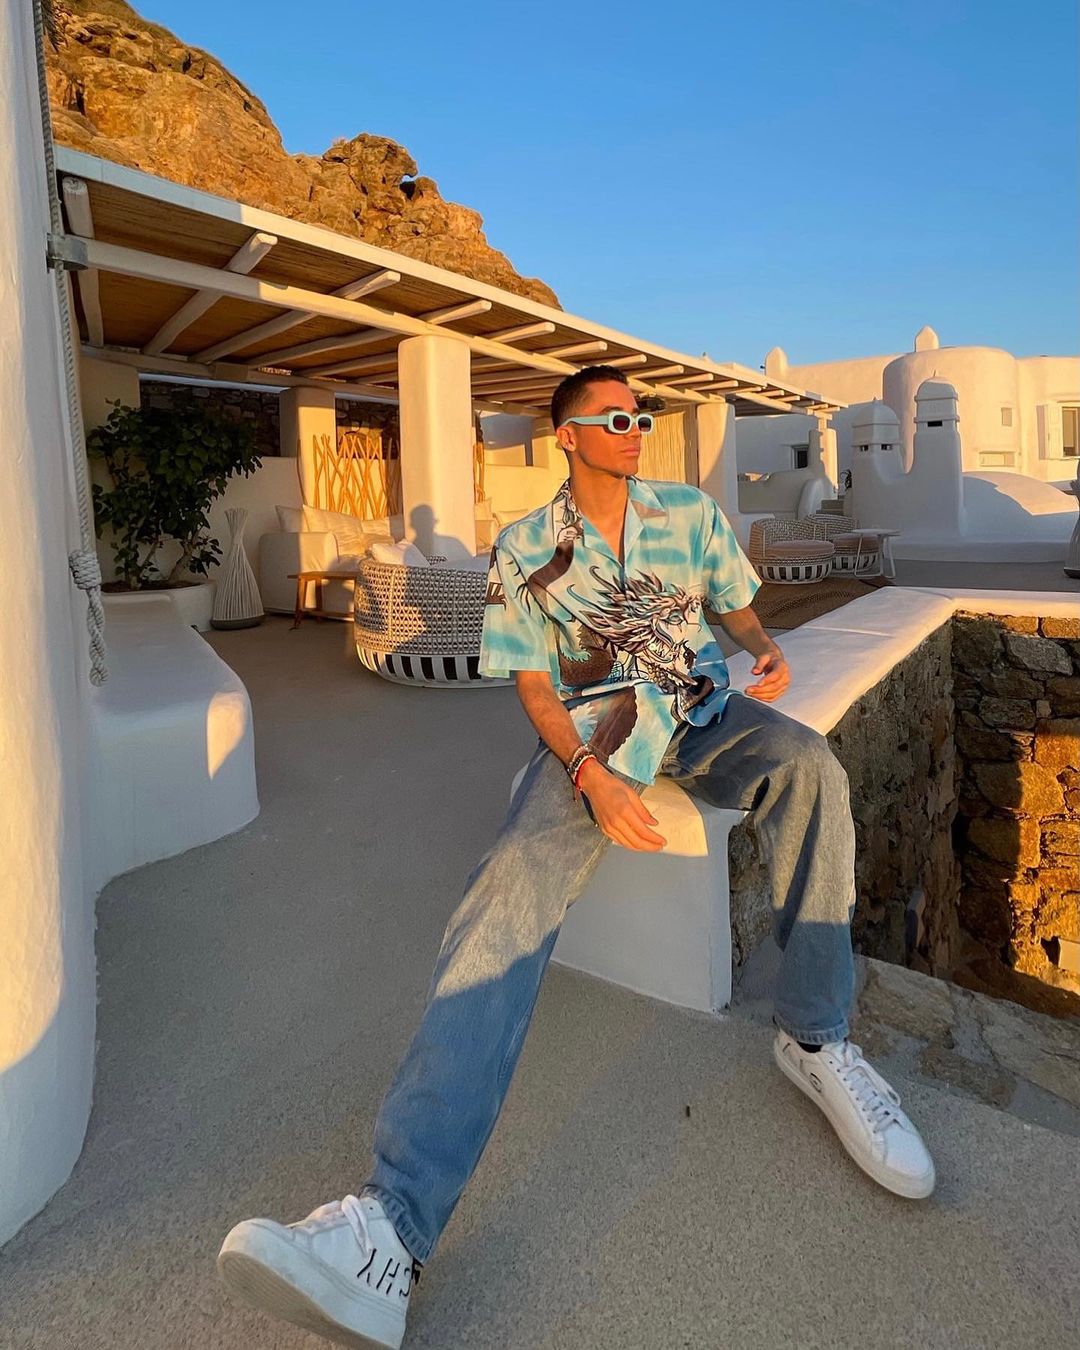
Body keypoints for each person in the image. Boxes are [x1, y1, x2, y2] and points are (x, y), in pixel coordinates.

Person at [218, 366, 935, 1349]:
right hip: (593, 734)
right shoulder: (526, 547)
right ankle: (389, 1232)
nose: (635, 427)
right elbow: (533, 685)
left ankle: (815, 1041)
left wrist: (764, 646)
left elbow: (733, 606)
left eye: (642, 414)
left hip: (704, 712)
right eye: (615, 415)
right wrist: (590, 775)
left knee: (811, 766)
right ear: (567, 434)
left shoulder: (689, 514)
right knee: (503, 901)